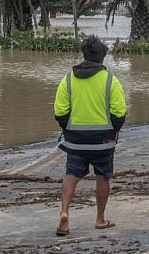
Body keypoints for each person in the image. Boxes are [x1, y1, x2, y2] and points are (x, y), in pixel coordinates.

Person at [53, 36, 127, 236]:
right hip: (103, 141)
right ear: (103, 56)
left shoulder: (68, 78)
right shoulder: (110, 80)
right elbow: (119, 112)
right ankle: (100, 220)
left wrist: (68, 129)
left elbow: (60, 111)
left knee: (71, 174)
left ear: (83, 54)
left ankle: (64, 213)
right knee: (102, 176)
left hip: (75, 139)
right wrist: (114, 131)